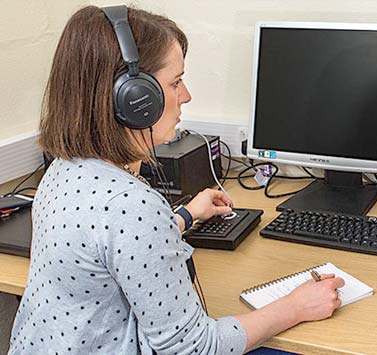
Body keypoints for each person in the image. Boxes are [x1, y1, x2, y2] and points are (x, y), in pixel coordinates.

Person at [8, 6, 344, 355]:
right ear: (135, 99)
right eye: (176, 82)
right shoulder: (128, 205)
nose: (186, 96)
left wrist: (184, 216)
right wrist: (296, 306)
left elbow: (111, 246)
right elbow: (194, 347)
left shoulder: (64, 169)